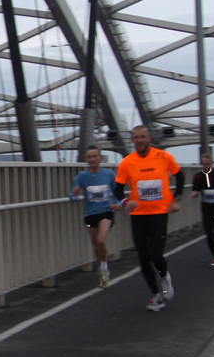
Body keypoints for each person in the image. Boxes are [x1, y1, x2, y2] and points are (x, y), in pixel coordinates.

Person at [114, 125, 183, 312]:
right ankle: (156, 295)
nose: (140, 140)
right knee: (143, 258)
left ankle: (164, 275)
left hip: (159, 213)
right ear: (132, 140)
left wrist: (177, 199)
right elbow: (117, 189)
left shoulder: (164, 157)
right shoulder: (127, 162)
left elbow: (180, 176)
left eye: (143, 136)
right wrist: (125, 202)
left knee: (155, 254)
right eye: (136, 137)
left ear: (149, 138)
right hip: (138, 215)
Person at [70, 145, 121, 288]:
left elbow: (117, 192)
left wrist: (118, 204)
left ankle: (104, 268)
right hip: (90, 214)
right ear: (86, 159)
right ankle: (102, 269)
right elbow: (72, 196)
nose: (92, 159)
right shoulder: (82, 176)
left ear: (100, 158)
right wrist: (74, 194)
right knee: (96, 245)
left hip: (106, 212)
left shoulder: (109, 174)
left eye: (95, 156)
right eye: (89, 157)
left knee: (100, 240)